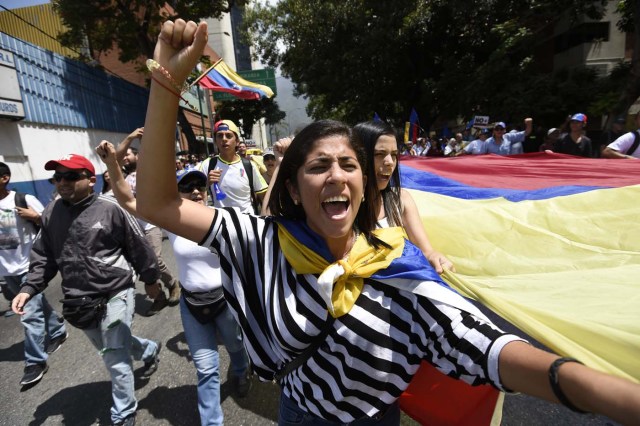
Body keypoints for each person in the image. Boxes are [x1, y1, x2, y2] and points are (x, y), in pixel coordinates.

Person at [135, 20, 640, 425]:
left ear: (365, 183)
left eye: (348, 164)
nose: (336, 175)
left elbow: (485, 345)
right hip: (298, 414)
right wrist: (167, 82)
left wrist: (588, 387)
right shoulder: (260, 241)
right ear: (291, 188)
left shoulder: (398, 267)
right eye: (318, 166)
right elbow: (156, 202)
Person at [96, 141, 251, 425]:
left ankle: (241, 371)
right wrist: (112, 165)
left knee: (236, 347)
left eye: (200, 187)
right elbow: (128, 200)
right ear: (177, 194)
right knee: (206, 369)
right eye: (187, 187)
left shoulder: (226, 218)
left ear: (206, 192)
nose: (195, 192)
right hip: (191, 305)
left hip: (225, 301)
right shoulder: (173, 221)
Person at [11, 154, 162, 426]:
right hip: (79, 299)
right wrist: (29, 288)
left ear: (91, 180)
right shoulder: (51, 213)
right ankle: (149, 350)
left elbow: (139, 246)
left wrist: (151, 280)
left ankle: (124, 413)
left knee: (114, 356)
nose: (62, 182)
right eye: (57, 177)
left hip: (116, 291)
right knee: (110, 344)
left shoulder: (111, 208)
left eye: (70, 176)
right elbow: (43, 256)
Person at [353, 121, 453, 273]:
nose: (389, 163)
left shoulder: (401, 200)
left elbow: (426, 251)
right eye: (379, 154)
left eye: (394, 155)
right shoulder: (340, 205)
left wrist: (435, 257)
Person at [0, 162, 68, 387]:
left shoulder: (23, 200)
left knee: (29, 315)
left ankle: (35, 362)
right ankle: (58, 330)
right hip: (6, 271)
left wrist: (35, 217)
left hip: (30, 267)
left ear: (5, 178)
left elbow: (51, 223)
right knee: (36, 307)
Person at [117, 128, 181, 315]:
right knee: (143, 264)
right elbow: (115, 159)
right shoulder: (122, 177)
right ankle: (159, 296)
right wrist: (129, 138)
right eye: (125, 156)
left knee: (155, 260)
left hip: (150, 224)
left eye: (129, 155)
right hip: (131, 228)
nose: (126, 158)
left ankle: (172, 284)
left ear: (138, 156)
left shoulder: (146, 171)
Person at [198, 120, 268, 214]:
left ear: (237, 141)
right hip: (220, 224)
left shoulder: (249, 165)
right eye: (219, 135)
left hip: (247, 223)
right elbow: (194, 194)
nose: (224, 139)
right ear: (215, 141)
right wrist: (206, 184)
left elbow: (264, 196)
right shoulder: (207, 164)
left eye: (228, 135)